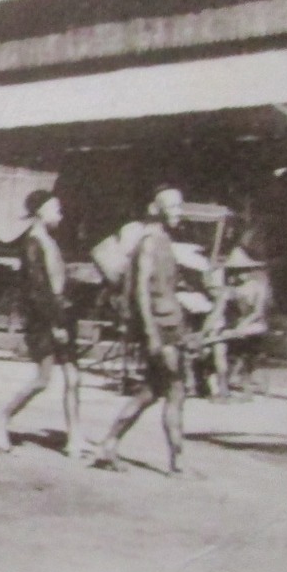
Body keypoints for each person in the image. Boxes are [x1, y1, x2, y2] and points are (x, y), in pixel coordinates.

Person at [92, 185, 190, 474]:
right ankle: (178, 463)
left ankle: (108, 445)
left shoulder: (164, 241)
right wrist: (151, 336)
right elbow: (142, 293)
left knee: (151, 391)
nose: (178, 212)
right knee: (175, 390)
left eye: (180, 206)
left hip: (170, 325)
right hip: (161, 328)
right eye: (172, 207)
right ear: (155, 209)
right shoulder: (149, 242)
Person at [0, 190, 81, 457]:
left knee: (73, 378)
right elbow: (38, 289)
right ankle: (0, 418)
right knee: (42, 379)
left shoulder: (48, 240)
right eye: (56, 210)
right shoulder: (33, 243)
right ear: (41, 212)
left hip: (61, 314)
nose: (60, 215)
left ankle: (75, 439)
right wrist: (55, 324)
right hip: (46, 318)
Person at [198, 247, 272, 398]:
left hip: (255, 325)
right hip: (235, 327)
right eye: (235, 271)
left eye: (243, 270)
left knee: (233, 338)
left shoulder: (259, 287)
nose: (239, 274)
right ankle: (222, 387)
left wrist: (241, 327)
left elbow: (258, 312)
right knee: (218, 344)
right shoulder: (229, 290)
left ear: (249, 270)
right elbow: (217, 312)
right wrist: (204, 332)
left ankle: (240, 380)